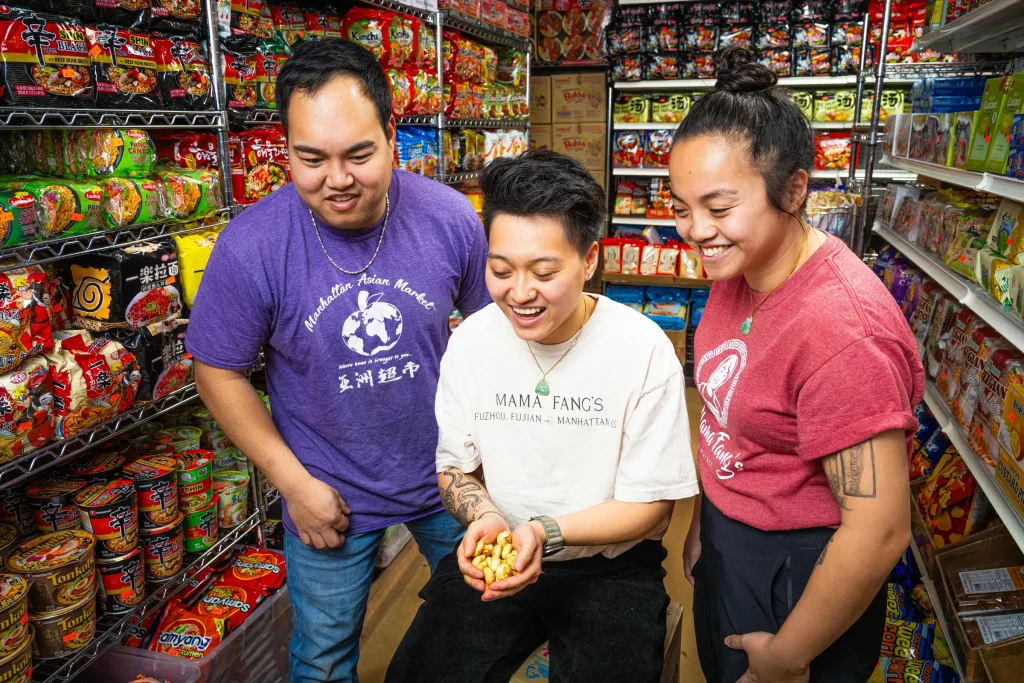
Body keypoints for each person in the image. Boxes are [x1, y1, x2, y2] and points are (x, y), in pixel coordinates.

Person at [184, 39, 490, 683]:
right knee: (322, 660)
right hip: (326, 492)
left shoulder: (449, 218)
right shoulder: (252, 246)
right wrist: (293, 485)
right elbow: (216, 369)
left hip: (451, 479)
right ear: (287, 150)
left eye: (359, 153)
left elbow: (499, 331)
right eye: (311, 158)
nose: (338, 179)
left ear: (391, 133)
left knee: (483, 633)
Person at [384, 150, 700, 683]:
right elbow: (454, 470)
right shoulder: (471, 342)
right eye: (501, 270)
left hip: (610, 569)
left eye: (544, 271)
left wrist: (544, 531)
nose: (520, 293)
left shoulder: (641, 348)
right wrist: (485, 519)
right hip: (501, 555)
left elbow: (652, 508)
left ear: (590, 260)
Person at [669, 48, 924, 683]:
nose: (696, 231)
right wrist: (709, 520)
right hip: (736, 539)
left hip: (802, 575)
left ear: (793, 188)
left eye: (719, 207)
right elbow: (726, 423)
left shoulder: (843, 332)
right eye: (680, 205)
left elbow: (878, 530)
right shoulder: (742, 266)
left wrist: (785, 657)